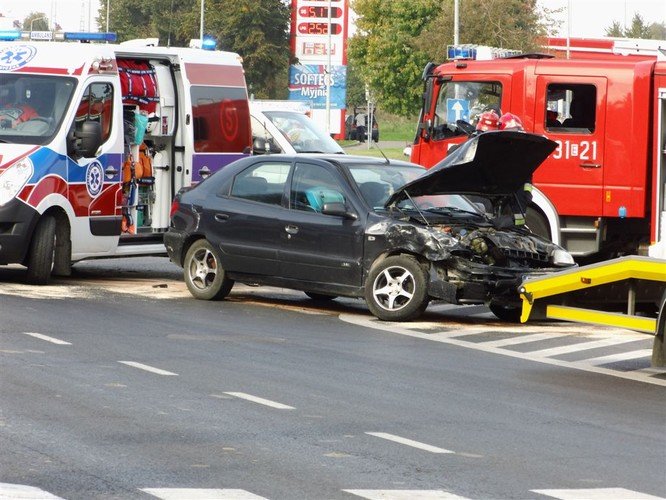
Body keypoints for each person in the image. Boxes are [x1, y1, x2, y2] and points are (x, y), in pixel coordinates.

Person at [498, 112, 532, 226]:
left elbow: (527, 177)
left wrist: (527, 193)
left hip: (518, 199)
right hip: (500, 200)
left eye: (516, 132)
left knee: (518, 222)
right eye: (511, 132)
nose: (514, 136)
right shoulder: (496, 151)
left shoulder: (522, 154)